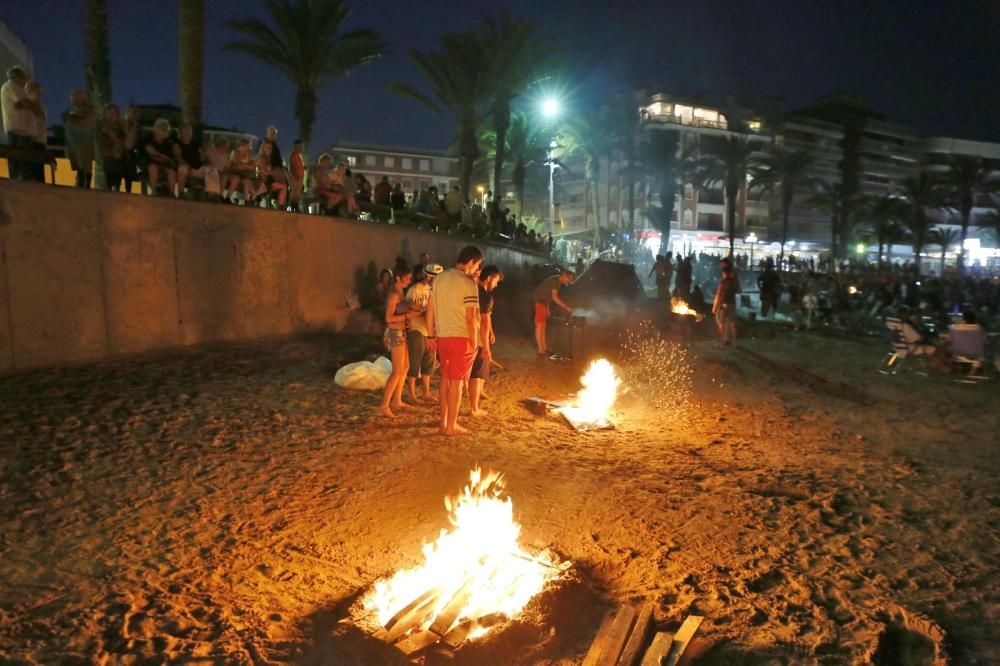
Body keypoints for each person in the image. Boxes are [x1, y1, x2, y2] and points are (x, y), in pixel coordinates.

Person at [427, 246, 484, 436]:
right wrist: (475, 343)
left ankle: (443, 421)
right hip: (462, 338)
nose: (476, 269)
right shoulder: (468, 284)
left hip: (442, 336)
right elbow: (470, 318)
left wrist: (430, 335)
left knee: (445, 379)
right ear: (470, 262)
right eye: (477, 264)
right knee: (457, 383)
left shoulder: (439, 279)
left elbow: (431, 311)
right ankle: (451, 426)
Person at [377, 264, 416, 417]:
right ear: (398, 278)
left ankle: (397, 400)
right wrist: (408, 316)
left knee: (405, 367)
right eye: (406, 278)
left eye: (410, 278)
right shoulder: (393, 294)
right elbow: (388, 318)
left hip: (401, 331)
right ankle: (384, 404)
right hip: (395, 333)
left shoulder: (400, 291)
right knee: (397, 370)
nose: (409, 280)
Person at [405, 263, 443, 403]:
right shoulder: (415, 289)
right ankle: (412, 394)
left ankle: (426, 392)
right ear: (427, 276)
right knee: (414, 363)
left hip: (430, 331)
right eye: (434, 277)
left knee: (429, 362)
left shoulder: (435, 291)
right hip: (417, 329)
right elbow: (405, 308)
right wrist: (420, 311)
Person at [469, 265, 503, 416]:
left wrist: (491, 331)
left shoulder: (470, 289)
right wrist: (486, 348)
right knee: (476, 374)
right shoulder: (485, 297)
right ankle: (474, 408)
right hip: (477, 339)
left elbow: (486, 319)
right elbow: (483, 322)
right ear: (489, 278)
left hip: (466, 336)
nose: (496, 285)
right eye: (495, 281)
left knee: (471, 373)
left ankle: (477, 398)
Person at [1, 66, 39, 181]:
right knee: (17, 155)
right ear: (18, 77)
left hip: (22, 129)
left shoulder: (18, 88)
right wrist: (34, 108)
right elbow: (21, 103)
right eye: (24, 78)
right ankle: (17, 180)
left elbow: (23, 104)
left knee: (23, 156)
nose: (26, 81)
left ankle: (22, 179)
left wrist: (29, 105)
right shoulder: (11, 85)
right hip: (17, 127)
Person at [532, 270, 575, 356]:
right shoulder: (554, 281)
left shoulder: (558, 282)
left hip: (544, 303)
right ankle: (540, 349)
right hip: (539, 302)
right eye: (569, 279)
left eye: (570, 280)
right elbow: (554, 297)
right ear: (564, 275)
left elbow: (548, 294)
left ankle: (545, 347)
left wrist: (547, 307)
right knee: (539, 326)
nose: (568, 281)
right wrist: (566, 307)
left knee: (543, 326)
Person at [63, 90, 96, 188]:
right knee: (79, 166)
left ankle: (84, 187)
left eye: (74, 98)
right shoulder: (76, 111)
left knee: (84, 166)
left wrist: (70, 118)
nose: (72, 100)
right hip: (74, 144)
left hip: (83, 144)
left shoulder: (88, 110)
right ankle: (81, 185)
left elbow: (86, 122)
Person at [142, 118, 177, 196]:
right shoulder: (148, 138)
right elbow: (151, 151)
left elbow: (169, 158)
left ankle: (172, 193)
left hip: (164, 164)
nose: (162, 131)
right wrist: (162, 156)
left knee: (171, 171)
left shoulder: (167, 143)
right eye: (160, 128)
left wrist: (163, 158)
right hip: (150, 163)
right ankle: (154, 191)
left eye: (165, 129)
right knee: (153, 167)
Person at [96, 103, 126, 191]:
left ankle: (117, 187)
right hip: (107, 154)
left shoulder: (119, 126)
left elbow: (123, 138)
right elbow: (111, 135)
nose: (112, 115)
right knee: (110, 172)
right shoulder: (103, 123)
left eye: (114, 112)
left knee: (117, 172)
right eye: (109, 112)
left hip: (118, 156)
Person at [24, 81, 47, 183]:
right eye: (38, 92)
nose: (40, 95)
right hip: (32, 140)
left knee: (38, 170)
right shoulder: (27, 106)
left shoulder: (39, 107)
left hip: (39, 140)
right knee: (33, 170)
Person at [172, 124, 205, 196]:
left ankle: (213, 196)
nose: (187, 133)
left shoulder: (196, 144)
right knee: (182, 169)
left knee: (212, 171)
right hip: (185, 168)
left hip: (197, 169)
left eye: (189, 131)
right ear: (180, 133)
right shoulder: (177, 143)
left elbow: (202, 157)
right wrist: (188, 167)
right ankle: (181, 193)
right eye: (185, 131)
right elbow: (177, 157)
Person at [712, 264, 741, 345]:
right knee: (732, 324)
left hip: (723, 305)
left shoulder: (723, 282)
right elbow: (739, 291)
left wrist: (715, 306)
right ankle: (734, 343)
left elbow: (718, 294)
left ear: (724, 273)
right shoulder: (734, 282)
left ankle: (722, 343)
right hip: (732, 304)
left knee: (721, 324)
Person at [256, 140, 288, 206]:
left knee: (284, 185)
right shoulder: (261, 158)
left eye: (271, 148)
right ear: (263, 148)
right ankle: (280, 206)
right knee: (283, 186)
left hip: (270, 182)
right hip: (264, 183)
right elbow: (265, 172)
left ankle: (280, 206)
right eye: (268, 148)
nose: (270, 150)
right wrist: (274, 172)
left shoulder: (272, 159)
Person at [228, 137, 258, 203]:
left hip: (244, 175)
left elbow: (253, 166)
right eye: (248, 146)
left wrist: (244, 166)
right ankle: (228, 198)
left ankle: (247, 200)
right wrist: (247, 166)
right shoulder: (235, 152)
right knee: (240, 179)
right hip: (234, 173)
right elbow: (238, 165)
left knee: (246, 182)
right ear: (243, 146)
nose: (249, 148)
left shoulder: (248, 154)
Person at [122, 106, 141, 193]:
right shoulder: (121, 123)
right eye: (134, 113)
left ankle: (128, 191)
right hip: (120, 150)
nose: (135, 115)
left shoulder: (137, 126)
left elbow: (138, 141)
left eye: (137, 114)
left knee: (130, 171)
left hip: (131, 153)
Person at [288, 139, 305, 210]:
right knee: (295, 193)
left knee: (297, 194)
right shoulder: (294, 155)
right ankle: (293, 207)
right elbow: (292, 166)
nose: (302, 148)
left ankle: (295, 206)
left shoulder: (298, 155)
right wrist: (295, 176)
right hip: (296, 178)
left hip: (299, 178)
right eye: (300, 146)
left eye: (302, 146)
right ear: (296, 146)